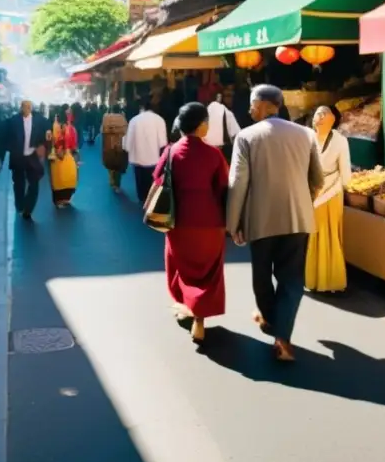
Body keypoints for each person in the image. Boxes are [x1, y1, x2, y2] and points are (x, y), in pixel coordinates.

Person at [227, 85, 324, 362]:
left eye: (250, 104)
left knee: (261, 277)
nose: (248, 109)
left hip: (261, 219)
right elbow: (317, 180)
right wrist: (303, 200)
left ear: (260, 104)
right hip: (298, 219)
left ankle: (272, 322)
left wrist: (233, 223)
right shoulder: (306, 135)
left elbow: (237, 183)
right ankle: (282, 336)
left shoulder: (246, 136)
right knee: (292, 279)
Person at [154, 102, 229, 342]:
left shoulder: (171, 152)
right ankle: (200, 318)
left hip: (179, 223)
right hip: (210, 222)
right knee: (208, 271)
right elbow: (224, 187)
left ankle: (187, 306)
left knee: (182, 267)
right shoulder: (214, 154)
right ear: (200, 125)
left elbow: (157, 180)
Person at [305, 106, 353, 293]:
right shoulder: (307, 138)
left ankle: (333, 281)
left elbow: (346, 174)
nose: (321, 116)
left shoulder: (341, 141)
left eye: (325, 113)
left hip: (332, 192)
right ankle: (314, 280)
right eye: (317, 113)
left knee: (330, 233)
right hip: (311, 192)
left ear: (334, 119)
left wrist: (336, 187)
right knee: (313, 234)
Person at [7, 100, 50, 220]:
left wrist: (43, 146)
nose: (25, 109)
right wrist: (12, 148)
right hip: (18, 156)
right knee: (18, 183)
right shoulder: (14, 120)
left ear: (31, 108)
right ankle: (20, 205)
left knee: (34, 183)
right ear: (21, 108)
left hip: (32, 155)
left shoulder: (40, 121)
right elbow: (7, 136)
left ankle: (29, 208)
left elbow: (47, 134)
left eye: (28, 107)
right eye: (24, 107)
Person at [124, 97, 168, 204]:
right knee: (151, 178)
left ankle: (141, 197)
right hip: (154, 157)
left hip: (137, 157)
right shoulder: (159, 120)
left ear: (142, 108)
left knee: (139, 178)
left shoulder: (134, 120)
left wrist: (127, 149)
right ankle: (150, 198)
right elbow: (163, 142)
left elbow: (128, 140)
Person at [49, 110, 80, 207]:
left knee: (59, 179)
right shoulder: (69, 128)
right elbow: (74, 144)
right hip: (66, 155)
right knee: (68, 177)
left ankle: (59, 200)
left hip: (58, 157)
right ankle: (65, 199)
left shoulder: (55, 126)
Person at [205, 92, 241, 163]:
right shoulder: (226, 113)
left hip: (205, 152)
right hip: (220, 152)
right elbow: (236, 135)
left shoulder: (200, 112)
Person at [102, 105, 129, 192]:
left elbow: (103, 130)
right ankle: (117, 184)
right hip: (120, 145)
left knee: (110, 163)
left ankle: (111, 181)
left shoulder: (106, 118)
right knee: (118, 164)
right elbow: (126, 131)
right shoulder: (123, 119)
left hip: (108, 144)